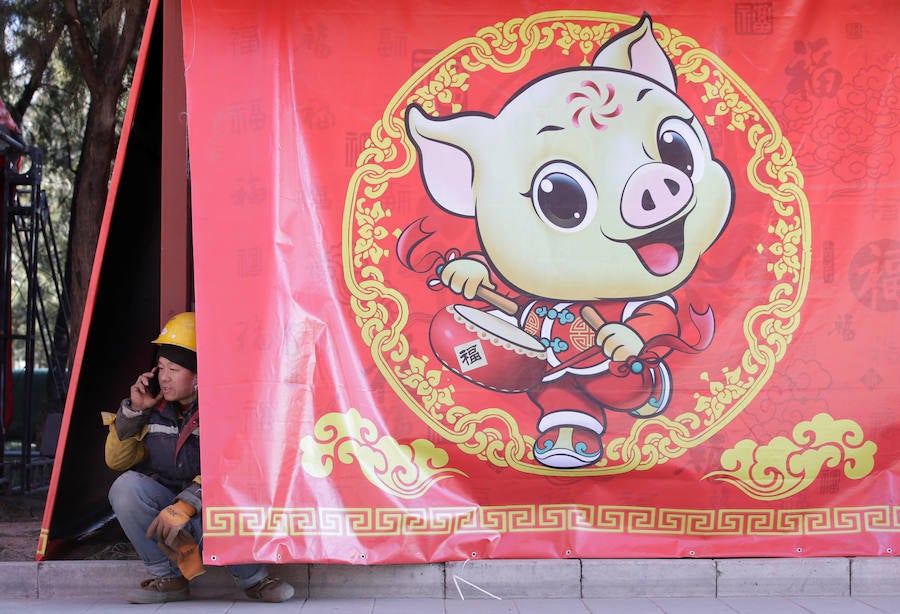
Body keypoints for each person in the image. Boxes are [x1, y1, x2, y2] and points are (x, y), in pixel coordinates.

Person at [103, 312, 295, 604]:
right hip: (173, 517)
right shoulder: (154, 410)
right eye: (161, 367)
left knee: (233, 502)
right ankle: (170, 578)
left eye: (175, 369)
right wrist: (134, 412)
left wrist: (186, 505)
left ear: (198, 375)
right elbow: (117, 461)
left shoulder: (224, 408)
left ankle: (253, 578)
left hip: (211, 511)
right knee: (125, 487)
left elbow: (233, 469)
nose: (164, 377)